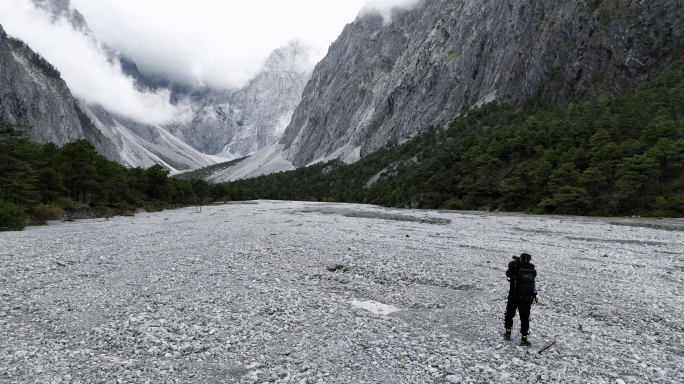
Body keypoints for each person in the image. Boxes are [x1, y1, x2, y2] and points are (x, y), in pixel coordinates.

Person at [504, 253, 537, 346]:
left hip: (513, 296)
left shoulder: (514, 267)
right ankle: (524, 339)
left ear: (520, 259)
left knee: (510, 315)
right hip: (527, 298)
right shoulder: (532, 269)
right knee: (525, 318)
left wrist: (516, 262)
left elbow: (507, 272)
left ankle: (508, 333)